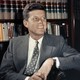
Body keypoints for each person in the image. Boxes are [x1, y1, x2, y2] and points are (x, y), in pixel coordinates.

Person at [0, 3, 80, 80]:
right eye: (36, 19)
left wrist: (53, 61)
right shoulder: (15, 43)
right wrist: (27, 79)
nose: (41, 22)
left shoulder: (57, 41)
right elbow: (4, 72)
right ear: (26, 23)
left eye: (43, 18)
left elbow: (77, 60)